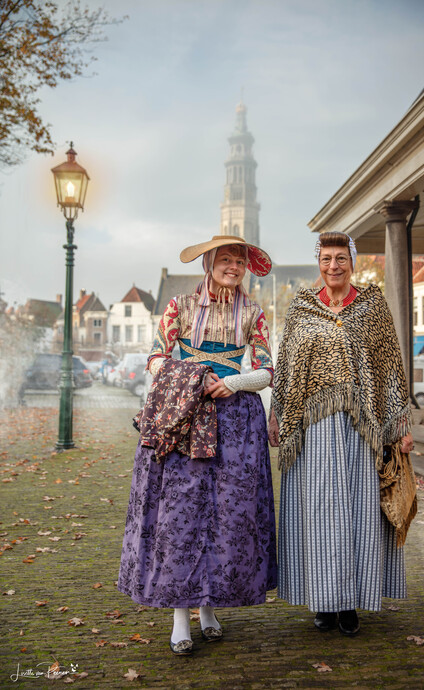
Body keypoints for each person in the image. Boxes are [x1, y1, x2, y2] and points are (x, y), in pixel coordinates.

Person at [118, 235, 277, 655]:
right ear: (209, 264)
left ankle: (210, 608)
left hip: (235, 424)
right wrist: (192, 378)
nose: (233, 267)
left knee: (226, 519)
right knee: (180, 516)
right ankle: (179, 616)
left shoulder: (254, 314)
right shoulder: (179, 308)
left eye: (239, 261)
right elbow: (154, 359)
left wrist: (233, 381)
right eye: (225, 260)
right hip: (185, 421)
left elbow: (266, 369)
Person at [268, 231, 413, 636]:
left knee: (359, 512)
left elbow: (389, 365)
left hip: (361, 428)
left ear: (352, 261)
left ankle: (350, 603)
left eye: (341, 258)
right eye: (326, 258)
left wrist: (400, 426)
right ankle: (323, 602)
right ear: (319, 262)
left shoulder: (372, 306)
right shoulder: (300, 307)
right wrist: (277, 416)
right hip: (313, 429)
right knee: (317, 515)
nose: (333, 266)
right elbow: (287, 366)